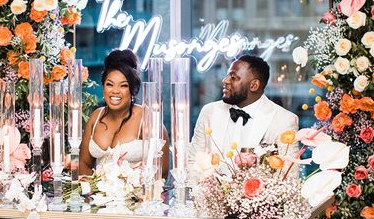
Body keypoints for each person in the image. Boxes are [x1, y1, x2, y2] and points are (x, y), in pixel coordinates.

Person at [188, 55, 299, 170]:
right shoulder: (209, 112)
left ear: (254, 85)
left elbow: (289, 174)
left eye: (233, 77)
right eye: (227, 75)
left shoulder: (284, 120)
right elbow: (193, 162)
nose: (225, 80)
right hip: (209, 187)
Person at [79, 49, 169, 177]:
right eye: (110, 84)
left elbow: (161, 172)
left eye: (123, 86)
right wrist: (89, 192)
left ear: (132, 90)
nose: (115, 91)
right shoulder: (95, 117)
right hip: (98, 195)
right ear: (103, 87)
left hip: (137, 195)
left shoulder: (147, 118)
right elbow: (84, 163)